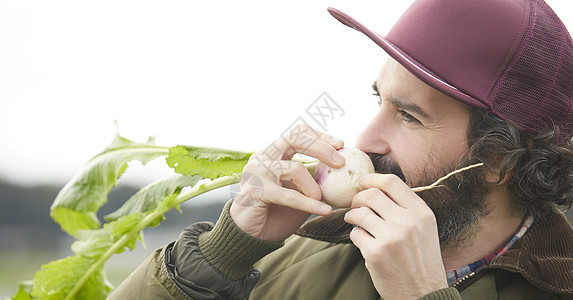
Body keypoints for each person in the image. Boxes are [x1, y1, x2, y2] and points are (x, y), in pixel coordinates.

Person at [109, 0, 573, 299]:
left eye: (409, 115)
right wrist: (217, 257)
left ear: (499, 160)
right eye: (379, 100)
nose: (365, 140)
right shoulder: (292, 257)